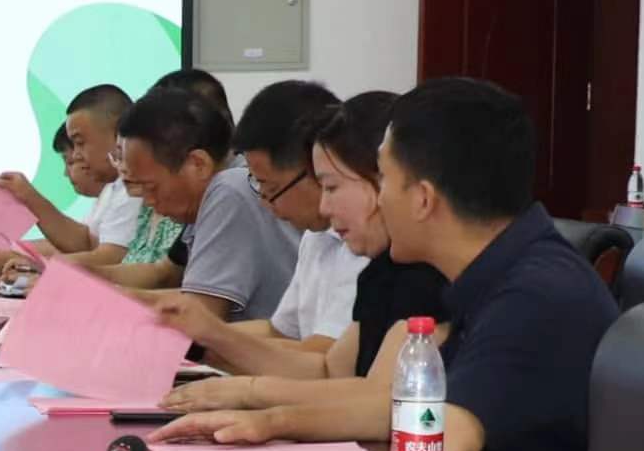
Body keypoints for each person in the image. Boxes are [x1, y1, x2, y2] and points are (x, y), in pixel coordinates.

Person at [152, 78, 617, 451]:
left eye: (385, 179)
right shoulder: (498, 273)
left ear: (423, 199)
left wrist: (268, 415)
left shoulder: (535, 295)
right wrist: (266, 418)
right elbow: (394, 405)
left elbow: (444, 440)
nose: (378, 199)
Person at [152, 92, 451, 408]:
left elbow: (378, 403)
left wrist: (251, 395)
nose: (324, 206)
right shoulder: (382, 272)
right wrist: (205, 340)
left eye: (331, 187)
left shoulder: (431, 280)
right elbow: (328, 371)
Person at [153, 79, 349, 367]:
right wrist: (189, 334)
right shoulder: (315, 237)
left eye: (271, 188)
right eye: (258, 185)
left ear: (316, 169)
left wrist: (207, 340)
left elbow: (320, 358)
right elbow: (278, 331)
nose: (266, 204)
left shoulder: (359, 248)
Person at [105, 87, 295, 318]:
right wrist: (85, 277)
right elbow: (167, 274)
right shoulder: (208, 192)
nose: (148, 201)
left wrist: (108, 298)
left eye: (151, 187)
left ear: (197, 164)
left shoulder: (229, 191)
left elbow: (200, 313)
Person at [0, 82, 142, 274]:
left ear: (118, 133)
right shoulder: (115, 187)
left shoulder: (133, 189)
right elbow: (84, 242)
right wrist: (27, 196)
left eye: (80, 143)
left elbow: (111, 258)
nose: (76, 155)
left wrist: (35, 265)